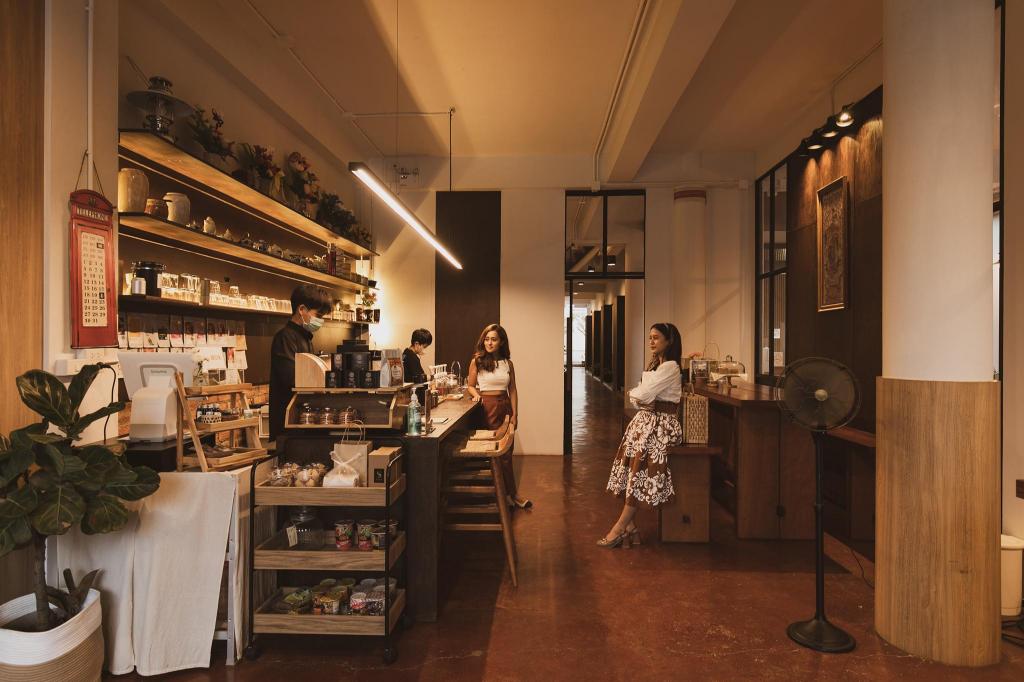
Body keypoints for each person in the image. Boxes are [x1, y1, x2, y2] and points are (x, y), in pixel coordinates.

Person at [600, 323, 683, 548]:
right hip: (648, 421)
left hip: (660, 425)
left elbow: (642, 394)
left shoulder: (670, 367)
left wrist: (637, 394)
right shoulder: (657, 365)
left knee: (637, 472)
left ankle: (620, 527)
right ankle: (631, 528)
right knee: (629, 470)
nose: (651, 342)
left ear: (669, 341)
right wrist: (639, 395)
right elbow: (640, 399)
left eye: (656, 338)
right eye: (650, 337)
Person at [466, 323, 532, 509]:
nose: (489, 343)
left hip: (505, 406)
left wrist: (515, 414)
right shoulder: (477, 361)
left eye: (493, 339)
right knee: (499, 454)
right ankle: (510, 495)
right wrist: (476, 394)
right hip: (488, 407)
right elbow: (470, 385)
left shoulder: (508, 363)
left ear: (501, 342)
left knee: (507, 452)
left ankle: (507, 495)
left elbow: (513, 389)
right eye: (486, 339)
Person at [269, 284, 333, 440]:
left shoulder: (306, 338)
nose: (320, 321)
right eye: (318, 315)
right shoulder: (285, 338)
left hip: (303, 421)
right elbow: (293, 379)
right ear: (302, 309)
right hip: (289, 423)